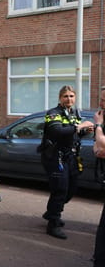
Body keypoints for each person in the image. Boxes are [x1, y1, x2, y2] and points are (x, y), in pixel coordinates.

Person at [39, 85, 93, 239]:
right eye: (65, 96)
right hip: (56, 157)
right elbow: (57, 132)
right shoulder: (53, 113)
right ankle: (53, 224)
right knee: (60, 190)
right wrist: (79, 127)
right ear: (60, 98)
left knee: (71, 189)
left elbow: (73, 135)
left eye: (71, 96)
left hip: (71, 156)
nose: (69, 99)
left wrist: (83, 131)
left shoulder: (74, 113)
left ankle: (51, 212)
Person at [93, 87, 105, 266]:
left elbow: (102, 144)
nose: (101, 103)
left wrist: (98, 125)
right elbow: (97, 149)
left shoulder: (100, 121)